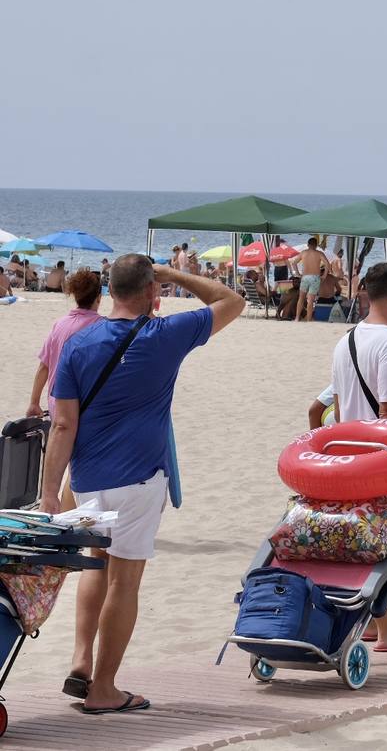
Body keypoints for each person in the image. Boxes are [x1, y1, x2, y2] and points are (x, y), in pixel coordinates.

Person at [41, 254, 243, 714]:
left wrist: (51, 491)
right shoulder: (165, 334)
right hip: (139, 478)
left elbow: (63, 425)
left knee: (96, 564)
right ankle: (104, 689)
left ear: (110, 291)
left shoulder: (79, 342)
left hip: (88, 478)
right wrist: (172, 275)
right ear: (152, 293)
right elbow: (231, 300)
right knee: (124, 581)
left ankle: (80, 659)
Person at [327, 262, 387, 652]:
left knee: (363, 544)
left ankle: (373, 625)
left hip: (348, 458)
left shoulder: (345, 340)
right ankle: (384, 628)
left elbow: (336, 404)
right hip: (382, 463)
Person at [27, 269, 104, 419]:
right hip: (83, 407)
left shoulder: (59, 324)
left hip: (56, 404)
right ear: (99, 298)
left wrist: (34, 402)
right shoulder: (103, 326)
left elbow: (44, 366)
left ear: (75, 295)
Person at [293, 237, 328, 322]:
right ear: (316, 245)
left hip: (305, 277)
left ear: (308, 245)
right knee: (311, 300)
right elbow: (327, 265)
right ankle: (309, 319)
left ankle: (297, 318)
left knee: (301, 298)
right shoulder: (319, 253)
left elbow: (294, 263)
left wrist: (298, 274)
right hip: (315, 277)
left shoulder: (303, 253)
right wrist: (324, 275)